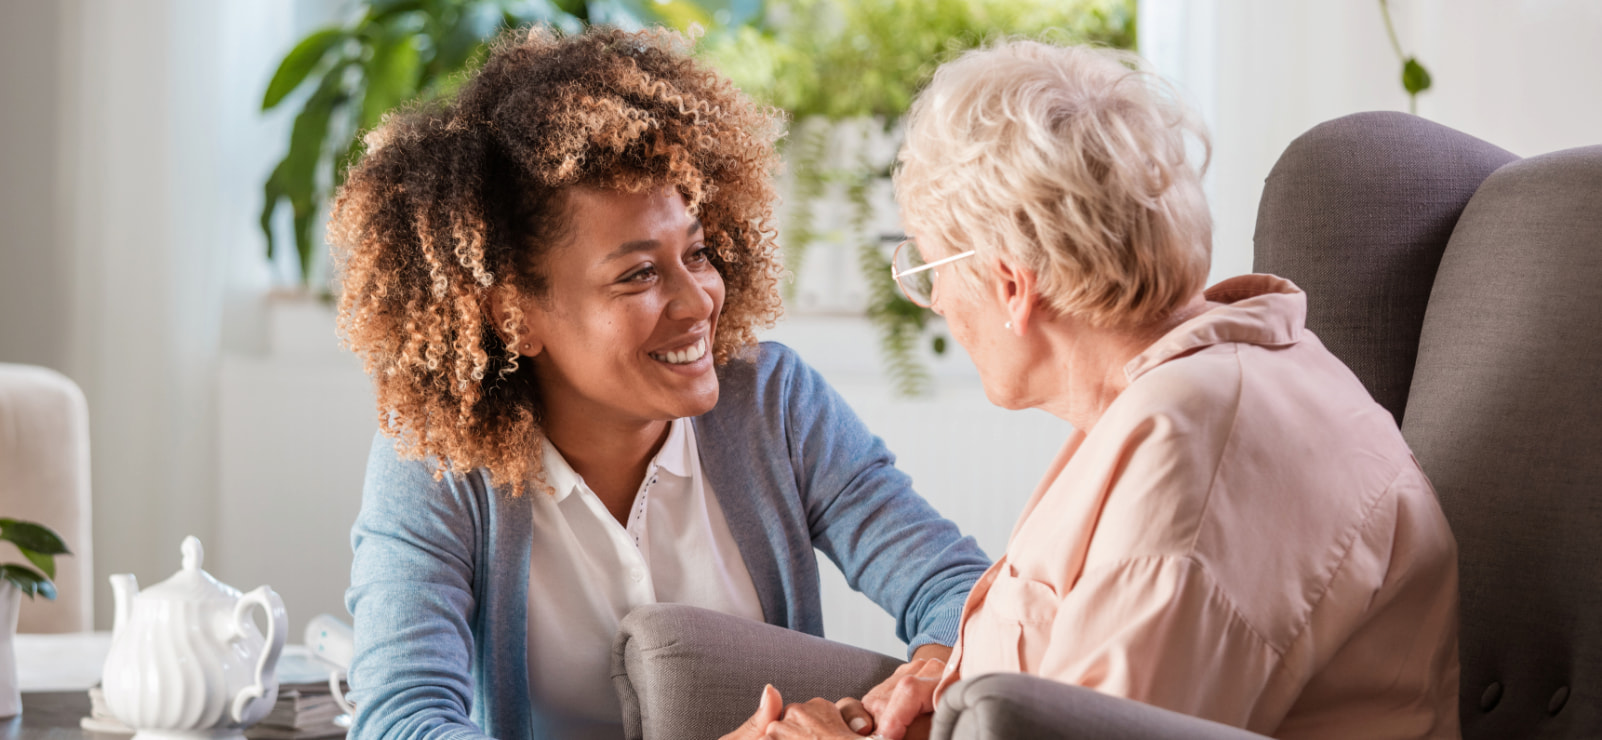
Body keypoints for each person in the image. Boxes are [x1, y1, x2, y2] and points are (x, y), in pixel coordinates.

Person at [738, 41, 1460, 740]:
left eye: (930, 271)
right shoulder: (1181, 395)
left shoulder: (1190, 449)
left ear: (1009, 282)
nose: (939, 305)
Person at [328, 26, 990, 740]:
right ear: (514, 315)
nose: (701, 299)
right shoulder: (436, 464)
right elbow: (401, 720)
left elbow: (960, 590)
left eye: (698, 252)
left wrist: (925, 676)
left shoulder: (775, 405)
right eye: (639, 274)